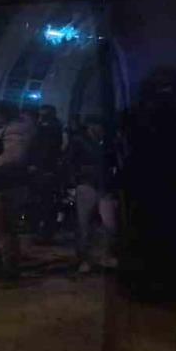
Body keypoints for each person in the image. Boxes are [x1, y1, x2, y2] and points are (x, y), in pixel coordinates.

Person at [0, 100, 34, 278]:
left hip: (3, 185)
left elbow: (13, 156)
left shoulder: (13, 130)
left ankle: (8, 267)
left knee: (2, 227)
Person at [67, 115, 117, 273]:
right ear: (90, 126)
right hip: (86, 184)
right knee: (85, 225)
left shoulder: (107, 142)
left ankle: (103, 255)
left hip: (103, 185)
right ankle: (85, 259)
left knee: (109, 224)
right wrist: (74, 181)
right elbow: (69, 162)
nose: (100, 129)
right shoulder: (79, 141)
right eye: (97, 126)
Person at [28, 104, 64, 242]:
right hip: (47, 170)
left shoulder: (48, 130)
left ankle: (44, 232)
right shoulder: (53, 128)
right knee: (45, 202)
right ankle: (44, 231)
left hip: (45, 170)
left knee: (44, 202)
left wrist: (37, 165)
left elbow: (45, 150)